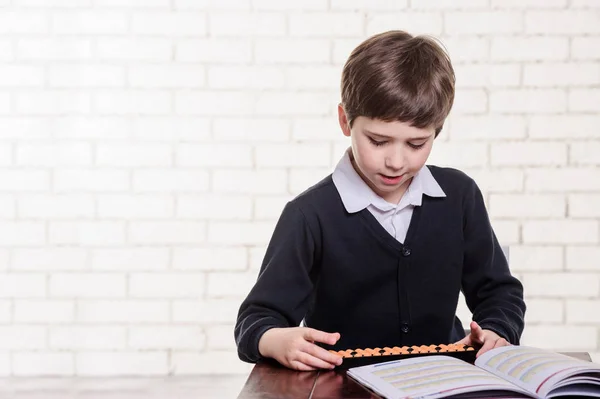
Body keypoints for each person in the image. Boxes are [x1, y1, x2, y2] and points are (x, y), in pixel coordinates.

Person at [234, 30, 526, 371]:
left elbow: (499, 291)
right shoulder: (309, 215)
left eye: (416, 144)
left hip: (445, 377)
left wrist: (495, 331)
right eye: (378, 140)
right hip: (344, 384)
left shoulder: (459, 196)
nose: (396, 161)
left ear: (438, 130)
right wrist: (275, 340)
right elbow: (256, 319)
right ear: (345, 120)